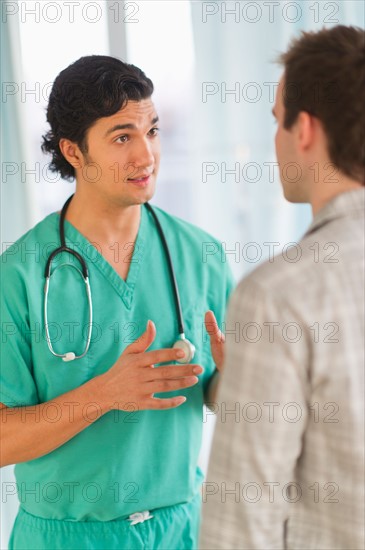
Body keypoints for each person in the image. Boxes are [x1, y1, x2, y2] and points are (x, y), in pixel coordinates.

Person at [0, 56, 234, 550]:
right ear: (73, 152)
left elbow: (215, 394)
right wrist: (105, 394)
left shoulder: (201, 255)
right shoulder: (19, 275)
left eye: (153, 131)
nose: (146, 156)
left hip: (180, 530)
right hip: (64, 538)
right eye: (122, 137)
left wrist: (236, 383)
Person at [200, 25, 364, 550]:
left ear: (306, 130)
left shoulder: (279, 295)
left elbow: (240, 526)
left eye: (277, 122)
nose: (275, 140)